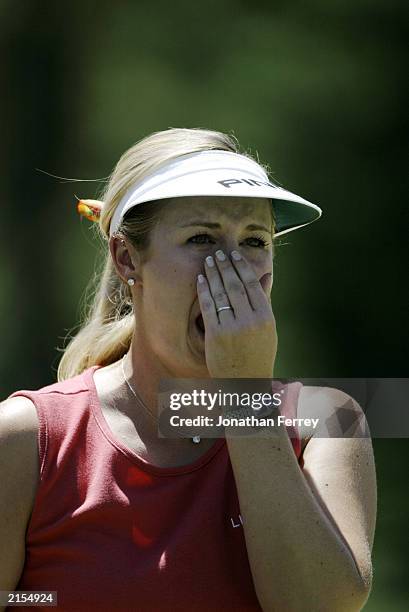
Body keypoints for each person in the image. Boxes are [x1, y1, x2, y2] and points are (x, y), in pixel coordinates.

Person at [0, 128, 376, 611]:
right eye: (201, 238)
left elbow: (318, 605)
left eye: (255, 240)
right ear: (127, 257)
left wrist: (244, 392)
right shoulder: (25, 439)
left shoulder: (329, 422)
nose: (234, 267)